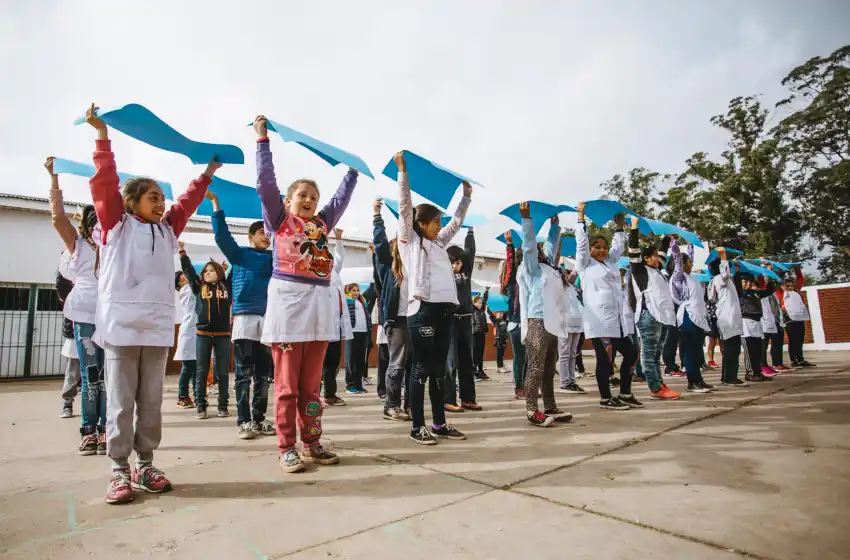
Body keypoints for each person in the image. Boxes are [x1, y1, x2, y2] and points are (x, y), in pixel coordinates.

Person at [85, 103, 221, 504]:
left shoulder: (167, 229)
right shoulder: (115, 224)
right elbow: (105, 185)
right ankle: (118, 468)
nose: (161, 204)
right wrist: (102, 137)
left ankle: (146, 464)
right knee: (121, 402)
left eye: (162, 197)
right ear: (131, 202)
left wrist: (207, 174)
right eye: (152, 197)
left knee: (151, 402)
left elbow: (187, 203)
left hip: (158, 327)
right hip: (122, 327)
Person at [255, 115, 357, 472]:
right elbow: (265, 185)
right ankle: (286, 445)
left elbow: (339, 201)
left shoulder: (320, 225)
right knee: (286, 388)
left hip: (318, 312)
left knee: (311, 389)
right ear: (288, 199)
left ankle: (312, 440)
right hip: (287, 309)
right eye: (302, 195)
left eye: (313, 196)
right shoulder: (279, 220)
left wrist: (353, 173)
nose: (310, 200)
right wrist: (263, 142)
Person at [396, 151, 468, 445]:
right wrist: (403, 172)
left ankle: (439, 423)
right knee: (421, 369)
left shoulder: (439, 245)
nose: (441, 225)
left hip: (445, 311)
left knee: (440, 371)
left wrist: (465, 198)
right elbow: (404, 208)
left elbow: (457, 222)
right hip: (422, 310)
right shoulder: (410, 241)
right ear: (421, 223)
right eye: (436, 221)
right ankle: (417, 427)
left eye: (440, 221)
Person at [46, 156, 108, 455]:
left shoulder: (115, 247)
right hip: (84, 314)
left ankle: (108, 429)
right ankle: (89, 431)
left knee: (109, 376)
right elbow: (58, 218)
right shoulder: (77, 246)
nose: (98, 229)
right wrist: (54, 179)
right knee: (90, 376)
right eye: (93, 223)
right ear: (86, 227)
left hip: (111, 314)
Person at [209, 192, 275, 439]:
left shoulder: (276, 259)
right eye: (261, 233)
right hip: (245, 319)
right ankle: (243, 421)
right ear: (250, 237)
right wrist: (216, 205)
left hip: (268, 320)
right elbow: (221, 237)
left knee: (264, 375)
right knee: (243, 374)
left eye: (269, 234)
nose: (266, 237)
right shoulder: (240, 255)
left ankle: (259, 419)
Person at [575, 202, 640, 410]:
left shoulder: (611, 263)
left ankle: (625, 393)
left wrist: (620, 227)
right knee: (605, 360)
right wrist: (580, 217)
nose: (602, 250)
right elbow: (581, 245)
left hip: (618, 321)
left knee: (631, 354)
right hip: (599, 322)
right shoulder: (584, 265)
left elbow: (618, 247)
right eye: (597, 247)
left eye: (604, 247)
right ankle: (605, 397)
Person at [628, 218, 681, 400]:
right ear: (645, 258)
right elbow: (634, 251)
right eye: (654, 256)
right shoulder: (639, 270)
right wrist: (633, 228)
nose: (658, 259)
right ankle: (654, 388)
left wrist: (667, 238)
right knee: (649, 354)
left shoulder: (656, 271)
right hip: (648, 315)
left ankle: (659, 383)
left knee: (656, 354)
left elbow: (663, 253)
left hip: (662, 317)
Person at [180, 243, 232, 419]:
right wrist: (182, 253)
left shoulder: (227, 286)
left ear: (220, 271)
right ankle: (201, 405)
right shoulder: (198, 287)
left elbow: (234, 264)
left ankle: (223, 405)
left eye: (211, 270)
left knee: (223, 371)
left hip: (223, 335)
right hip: (202, 335)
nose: (207, 272)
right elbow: (188, 270)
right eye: (205, 271)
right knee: (201, 371)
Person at [373, 198, 412, 421]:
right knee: (396, 365)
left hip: (415, 319)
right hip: (396, 320)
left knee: (412, 366)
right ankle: (391, 405)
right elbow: (379, 244)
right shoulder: (388, 267)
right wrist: (377, 216)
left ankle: (409, 404)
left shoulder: (413, 265)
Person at [669, 239, 715, 393]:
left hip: (698, 317)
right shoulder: (678, 278)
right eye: (689, 262)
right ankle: (692, 382)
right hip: (688, 317)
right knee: (690, 351)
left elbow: (689, 258)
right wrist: (673, 244)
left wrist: (690, 246)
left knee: (697, 351)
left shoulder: (691, 278)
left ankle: (699, 380)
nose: (691, 264)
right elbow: (678, 261)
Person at [445, 228, 483, 411]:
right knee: (450, 362)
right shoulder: (443, 275)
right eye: (452, 262)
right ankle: (449, 399)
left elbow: (471, 252)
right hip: (450, 320)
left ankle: (468, 398)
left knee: (467, 362)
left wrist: (470, 232)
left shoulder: (466, 271)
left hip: (466, 320)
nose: (456, 265)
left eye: (458, 262)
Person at [707, 249, 747, 387]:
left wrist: (737, 268)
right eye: (727, 266)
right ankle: (730, 377)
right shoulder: (720, 279)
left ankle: (727, 376)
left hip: (730, 317)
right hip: (727, 318)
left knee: (733, 349)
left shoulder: (723, 281)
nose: (728, 269)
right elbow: (724, 273)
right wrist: (723, 256)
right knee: (732, 349)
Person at [322, 229, 352, 408]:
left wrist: (339, 239)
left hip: (336, 326)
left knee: (333, 362)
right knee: (319, 363)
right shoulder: (316, 273)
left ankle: (330, 395)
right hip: (321, 326)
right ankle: (315, 395)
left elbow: (339, 258)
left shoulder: (334, 273)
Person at [736, 269, 776, 382]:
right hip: (745, 323)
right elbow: (738, 285)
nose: (748, 284)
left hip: (757, 322)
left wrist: (769, 274)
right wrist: (738, 270)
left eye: (749, 282)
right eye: (745, 281)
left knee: (758, 349)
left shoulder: (755, 293)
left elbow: (769, 290)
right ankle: (750, 373)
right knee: (749, 350)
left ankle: (758, 371)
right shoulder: (739, 294)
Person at [502, 230, 528, 399]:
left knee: (528, 358)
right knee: (520, 357)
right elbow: (511, 265)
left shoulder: (532, 278)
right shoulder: (512, 280)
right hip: (516, 323)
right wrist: (510, 244)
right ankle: (519, 387)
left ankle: (526, 386)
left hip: (529, 321)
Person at [557, 259, 585, 395]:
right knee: (564, 354)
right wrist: (560, 264)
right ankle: (565, 382)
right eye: (564, 273)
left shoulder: (572, 287)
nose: (567, 275)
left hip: (577, 324)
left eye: (567, 273)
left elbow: (576, 271)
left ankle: (572, 381)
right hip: (565, 325)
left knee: (573, 354)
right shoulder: (557, 289)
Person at [56, 261, 80, 419]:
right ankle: (67, 402)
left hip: (99, 329)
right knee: (73, 368)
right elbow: (61, 285)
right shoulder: (68, 267)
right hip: (75, 328)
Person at [779, 267, 816, 368]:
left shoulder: (796, 291)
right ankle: (793, 360)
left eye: (791, 285)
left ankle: (800, 359)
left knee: (800, 339)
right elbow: (775, 281)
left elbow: (800, 279)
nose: (790, 287)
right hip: (789, 319)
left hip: (799, 318)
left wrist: (797, 268)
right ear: (782, 286)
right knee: (792, 339)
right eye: (787, 286)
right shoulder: (780, 293)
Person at [174, 271, 197, 410]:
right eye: (181, 277)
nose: (185, 276)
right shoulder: (186, 290)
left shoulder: (190, 288)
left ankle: (198, 395)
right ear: (178, 283)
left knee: (196, 367)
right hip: (189, 330)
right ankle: (182, 396)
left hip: (195, 330)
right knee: (188, 366)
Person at [758, 264, 785, 374]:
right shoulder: (758, 293)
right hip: (763, 321)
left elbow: (771, 285)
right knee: (763, 345)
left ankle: (771, 364)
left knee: (775, 343)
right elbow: (765, 283)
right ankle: (762, 364)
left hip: (773, 320)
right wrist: (766, 271)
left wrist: (770, 273)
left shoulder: (771, 293)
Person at [344, 283, 371, 394]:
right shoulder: (346, 301)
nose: (355, 293)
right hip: (351, 333)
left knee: (361, 360)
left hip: (363, 333)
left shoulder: (362, 302)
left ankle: (359, 384)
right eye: (353, 290)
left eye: (357, 290)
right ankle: (350, 385)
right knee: (350, 359)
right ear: (348, 292)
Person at [472, 291, 491, 379]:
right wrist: (475, 330)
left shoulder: (481, 310)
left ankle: (480, 370)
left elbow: (484, 300)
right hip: (475, 334)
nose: (480, 304)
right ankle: (474, 371)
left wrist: (486, 291)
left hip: (481, 334)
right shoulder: (472, 310)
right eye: (478, 302)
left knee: (480, 353)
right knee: (475, 353)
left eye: (481, 303)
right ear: (474, 303)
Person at [487, 306, 509, 374]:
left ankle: (501, 365)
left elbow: (507, 311)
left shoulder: (505, 320)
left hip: (504, 340)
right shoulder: (495, 321)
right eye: (498, 313)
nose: (500, 314)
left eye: (501, 313)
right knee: (499, 354)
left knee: (502, 354)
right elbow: (490, 314)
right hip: (498, 340)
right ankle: (499, 367)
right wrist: (488, 307)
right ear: (496, 314)